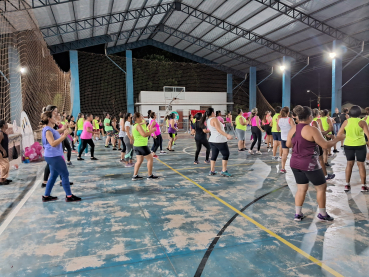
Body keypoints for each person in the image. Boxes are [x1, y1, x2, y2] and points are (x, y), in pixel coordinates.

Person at [286, 105, 343, 221]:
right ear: (309, 117)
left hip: (295, 163)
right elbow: (325, 145)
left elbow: (288, 145)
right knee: (321, 187)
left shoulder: (293, 129)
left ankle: (298, 214)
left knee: (301, 188)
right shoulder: (312, 129)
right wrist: (337, 139)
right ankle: (322, 213)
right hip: (309, 163)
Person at [41, 111, 81, 202]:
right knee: (65, 174)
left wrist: (64, 127)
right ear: (49, 119)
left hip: (52, 156)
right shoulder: (47, 130)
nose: (55, 118)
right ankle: (69, 196)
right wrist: (64, 136)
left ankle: (46, 196)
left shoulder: (50, 129)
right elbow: (53, 143)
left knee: (54, 175)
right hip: (54, 156)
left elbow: (59, 131)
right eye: (53, 117)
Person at [337, 105, 369, 192]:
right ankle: (363, 186)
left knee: (349, 164)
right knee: (361, 165)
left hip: (348, 145)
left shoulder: (346, 122)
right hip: (360, 145)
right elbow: (368, 135)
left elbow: (339, 134)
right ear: (359, 113)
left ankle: (347, 185)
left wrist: (347, 136)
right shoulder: (362, 122)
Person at [200, 108, 232, 176]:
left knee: (214, 155)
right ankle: (224, 171)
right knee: (226, 154)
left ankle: (212, 170)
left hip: (212, 140)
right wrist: (227, 135)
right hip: (219, 140)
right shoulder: (214, 119)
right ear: (212, 113)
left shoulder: (208, 120)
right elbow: (218, 130)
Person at [131, 112, 158, 180]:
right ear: (137, 118)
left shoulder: (134, 125)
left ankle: (135, 175)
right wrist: (152, 130)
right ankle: (150, 175)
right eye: (140, 117)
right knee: (150, 159)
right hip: (142, 145)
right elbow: (144, 135)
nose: (142, 118)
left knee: (139, 161)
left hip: (136, 145)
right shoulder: (138, 126)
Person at [310, 109, 335, 181]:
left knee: (311, 159)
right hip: (317, 142)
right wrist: (327, 132)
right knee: (321, 158)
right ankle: (325, 175)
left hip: (308, 143)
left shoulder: (304, 122)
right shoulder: (317, 121)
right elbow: (319, 132)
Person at [277, 107, 294, 173]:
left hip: (283, 138)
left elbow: (278, 129)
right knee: (294, 153)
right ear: (288, 113)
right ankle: (295, 166)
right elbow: (294, 128)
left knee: (284, 154)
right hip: (291, 139)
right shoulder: (290, 119)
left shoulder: (279, 120)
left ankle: (283, 168)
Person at [0, 120, 10, 185]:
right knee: (4, 165)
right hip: (1, 152)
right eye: (6, 123)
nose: (7, 124)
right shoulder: (0, 133)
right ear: (3, 125)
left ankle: (4, 179)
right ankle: (1, 180)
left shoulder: (4, 133)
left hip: (4, 150)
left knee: (6, 165)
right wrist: (3, 150)